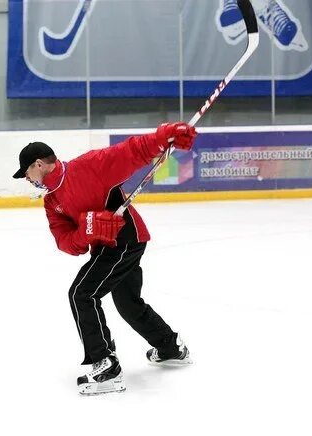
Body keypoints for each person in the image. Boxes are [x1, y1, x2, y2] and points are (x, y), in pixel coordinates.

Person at [12, 122, 197, 395]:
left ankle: (106, 367)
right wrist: (89, 229)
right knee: (128, 303)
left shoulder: (88, 166)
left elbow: (131, 152)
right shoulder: (52, 200)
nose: (28, 179)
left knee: (81, 294)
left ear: (39, 164)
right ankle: (171, 347)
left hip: (126, 240)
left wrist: (164, 136)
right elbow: (66, 243)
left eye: (26, 172)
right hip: (106, 248)